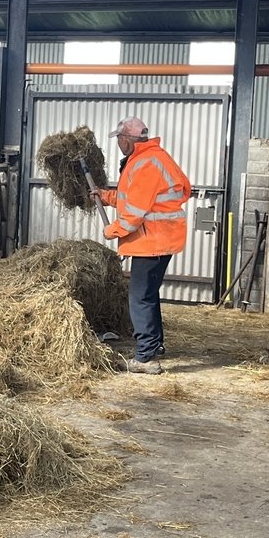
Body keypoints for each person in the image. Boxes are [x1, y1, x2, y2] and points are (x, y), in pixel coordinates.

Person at [91, 116, 192, 374]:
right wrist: (105, 196)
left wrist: (111, 231)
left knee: (139, 297)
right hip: (159, 238)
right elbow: (132, 198)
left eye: (120, 139)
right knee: (148, 295)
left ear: (129, 139)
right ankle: (154, 346)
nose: (118, 144)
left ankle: (145, 357)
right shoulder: (152, 157)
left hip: (153, 240)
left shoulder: (146, 163)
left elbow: (134, 213)